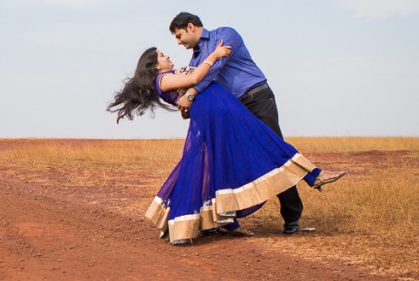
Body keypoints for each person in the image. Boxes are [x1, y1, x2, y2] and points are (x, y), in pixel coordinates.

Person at [107, 41, 345, 245]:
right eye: (161, 55)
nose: (167, 55)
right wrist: (214, 55)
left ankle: (222, 219)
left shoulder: (169, 76)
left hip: (222, 109)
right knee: (261, 142)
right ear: (154, 65)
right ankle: (313, 174)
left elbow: (191, 91)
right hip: (220, 113)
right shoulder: (162, 79)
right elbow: (195, 77)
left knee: (213, 165)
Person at [168, 12, 321, 235]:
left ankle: (292, 216)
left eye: (179, 36)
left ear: (190, 27)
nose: (179, 42)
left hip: (256, 97)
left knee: (273, 152)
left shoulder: (226, 34)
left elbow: (214, 70)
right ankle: (223, 217)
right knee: (232, 159)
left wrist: (191, 92)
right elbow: (199, 81)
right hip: (234, 110)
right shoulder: (195, 60)